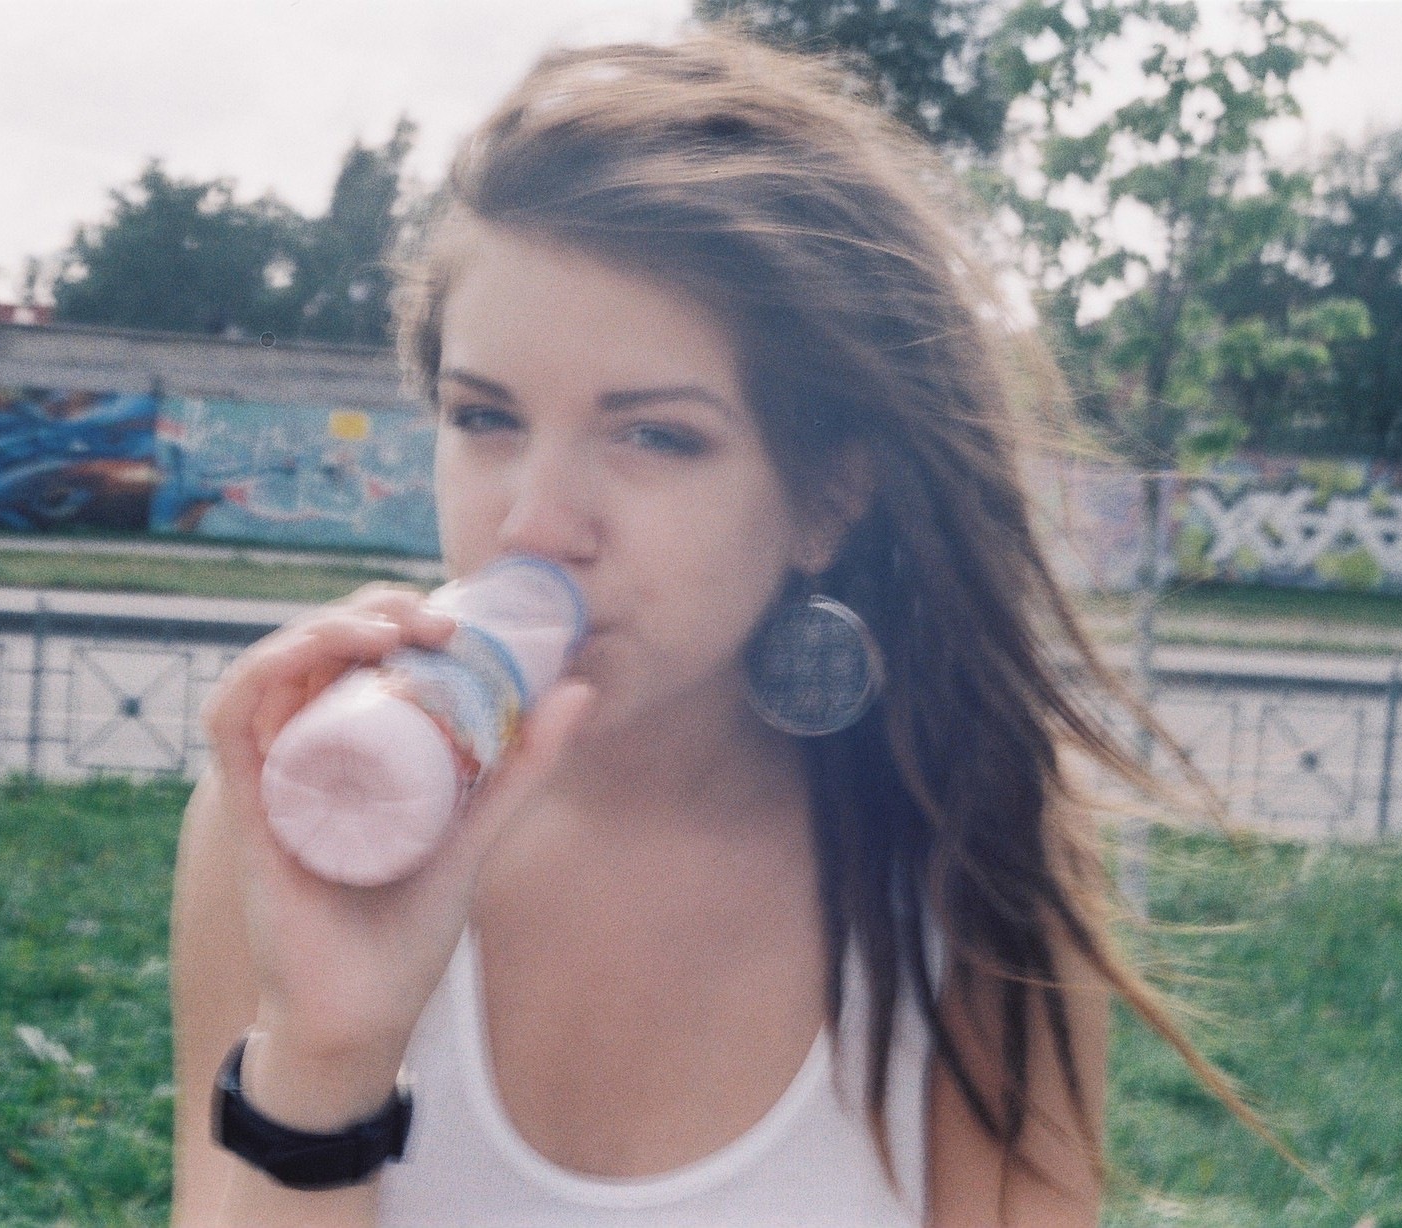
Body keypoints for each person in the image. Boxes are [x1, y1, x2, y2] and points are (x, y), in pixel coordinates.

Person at [170, 28, 1242, 1227]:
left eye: (657, 435)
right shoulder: (303, 814)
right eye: (484, 417)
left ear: (827, 498)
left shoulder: (972, 849)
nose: (536, 522)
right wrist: (326, 1059)